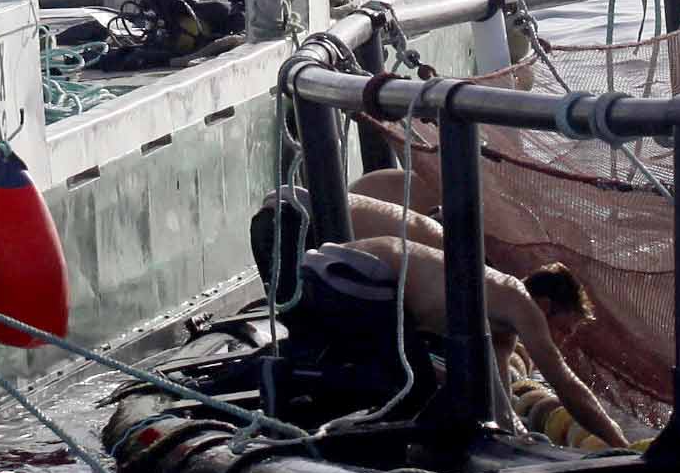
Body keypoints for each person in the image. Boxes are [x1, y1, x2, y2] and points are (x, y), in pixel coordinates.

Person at [249, 188, 628, 447]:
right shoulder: (517, 297)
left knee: (402, 381)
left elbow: (495, 398)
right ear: (546, 306)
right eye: (565, 328)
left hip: (340, 277)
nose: (562, 341)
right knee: (410, 384)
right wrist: (621, 447)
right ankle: (289, 377)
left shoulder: (499, 322)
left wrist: (516, 436)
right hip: (349, 275)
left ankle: (298, 384)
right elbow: (565, 384)